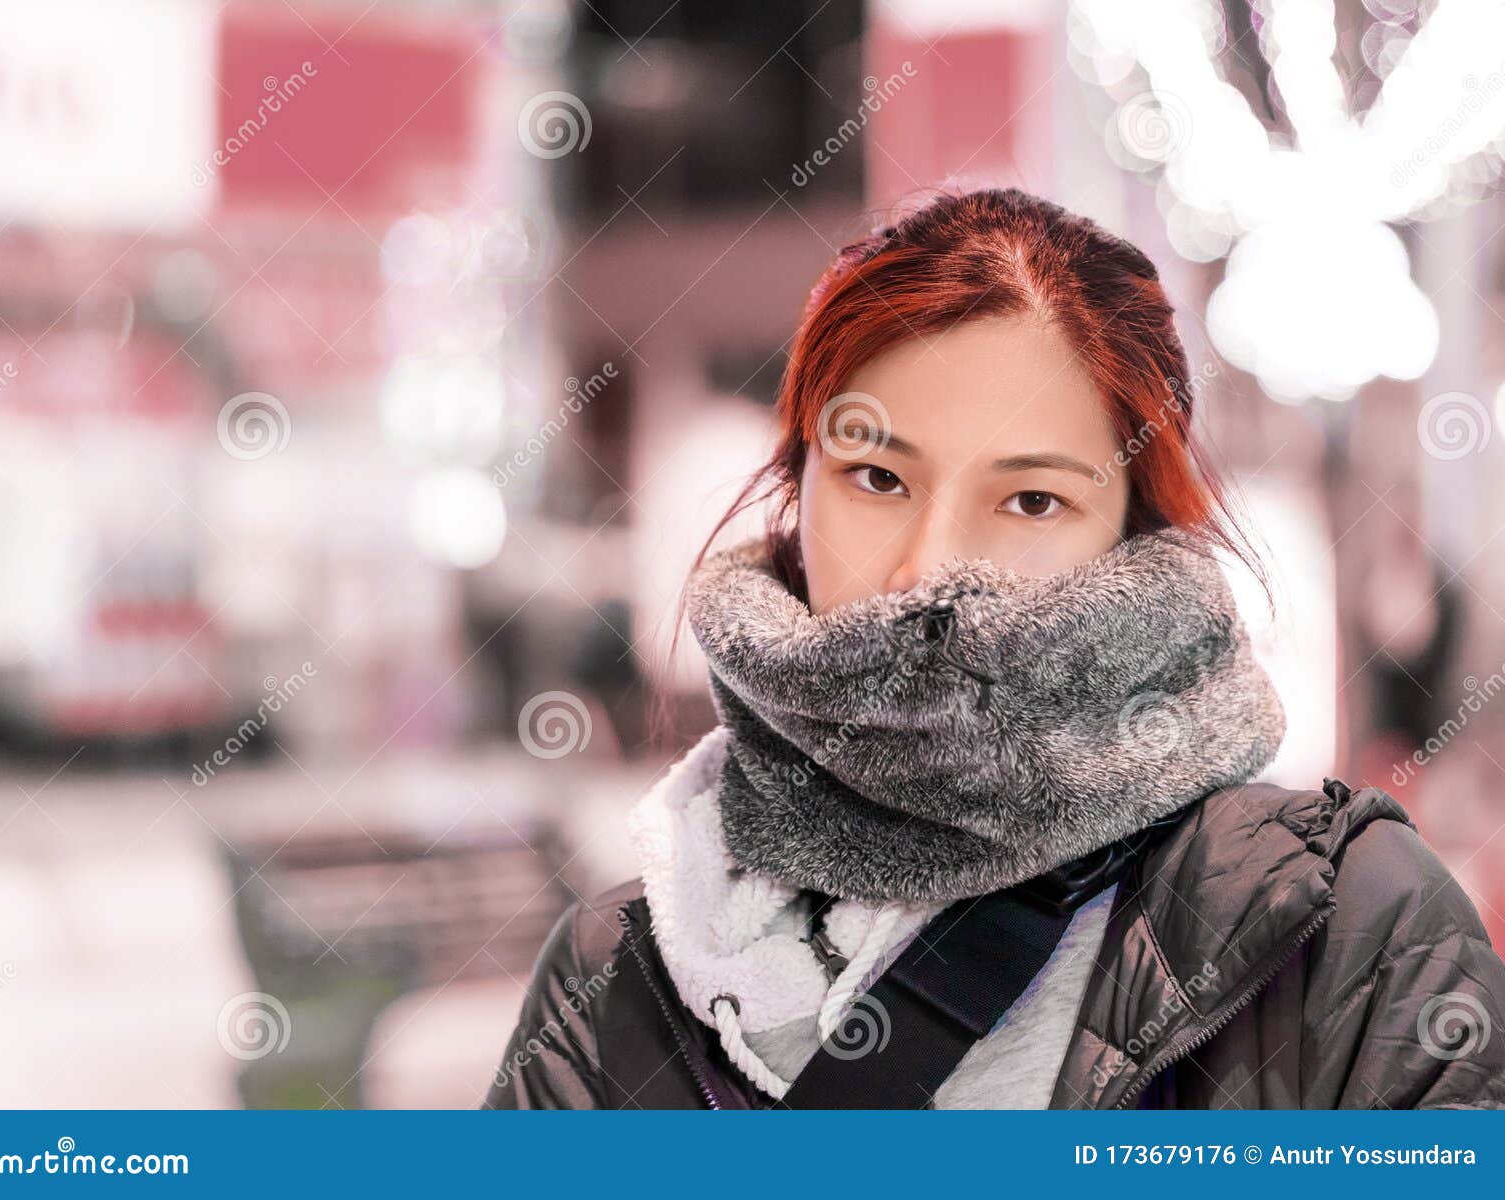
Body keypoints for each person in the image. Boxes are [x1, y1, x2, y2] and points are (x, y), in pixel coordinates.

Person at [481, 186, 1505, 1109]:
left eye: (1029, 499)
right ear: (796, 491)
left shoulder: (1342, 936)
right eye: (877, 479)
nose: (928, 568)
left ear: (1133, 535)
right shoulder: (614, 986)